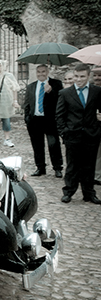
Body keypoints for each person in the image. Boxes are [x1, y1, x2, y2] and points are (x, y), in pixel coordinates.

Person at [55, 64, 101, 204]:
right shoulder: (65, 93)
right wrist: (64, 133)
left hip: (91, 135)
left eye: (82, 77)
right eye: (76, 76)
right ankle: (68, 191)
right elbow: (59, 116)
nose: (79, 79)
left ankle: (89, 193)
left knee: (89, 165)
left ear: (88, 77)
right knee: (72, 166)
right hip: (72, 135)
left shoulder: (97, 91)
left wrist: (97, 127)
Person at [24, 65, 64, 178]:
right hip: (35, 120)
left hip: (50, 120)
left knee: (53, 144)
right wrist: (27, 118)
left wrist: (50, 92)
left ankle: (57, 167)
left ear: (48, 72)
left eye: (43, 72)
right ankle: (40, 167)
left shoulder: (56, 84)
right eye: (38, 72)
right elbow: (27, 104)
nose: (41, 74)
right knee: (37, 145)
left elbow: (60, 101)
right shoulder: (31, 86)